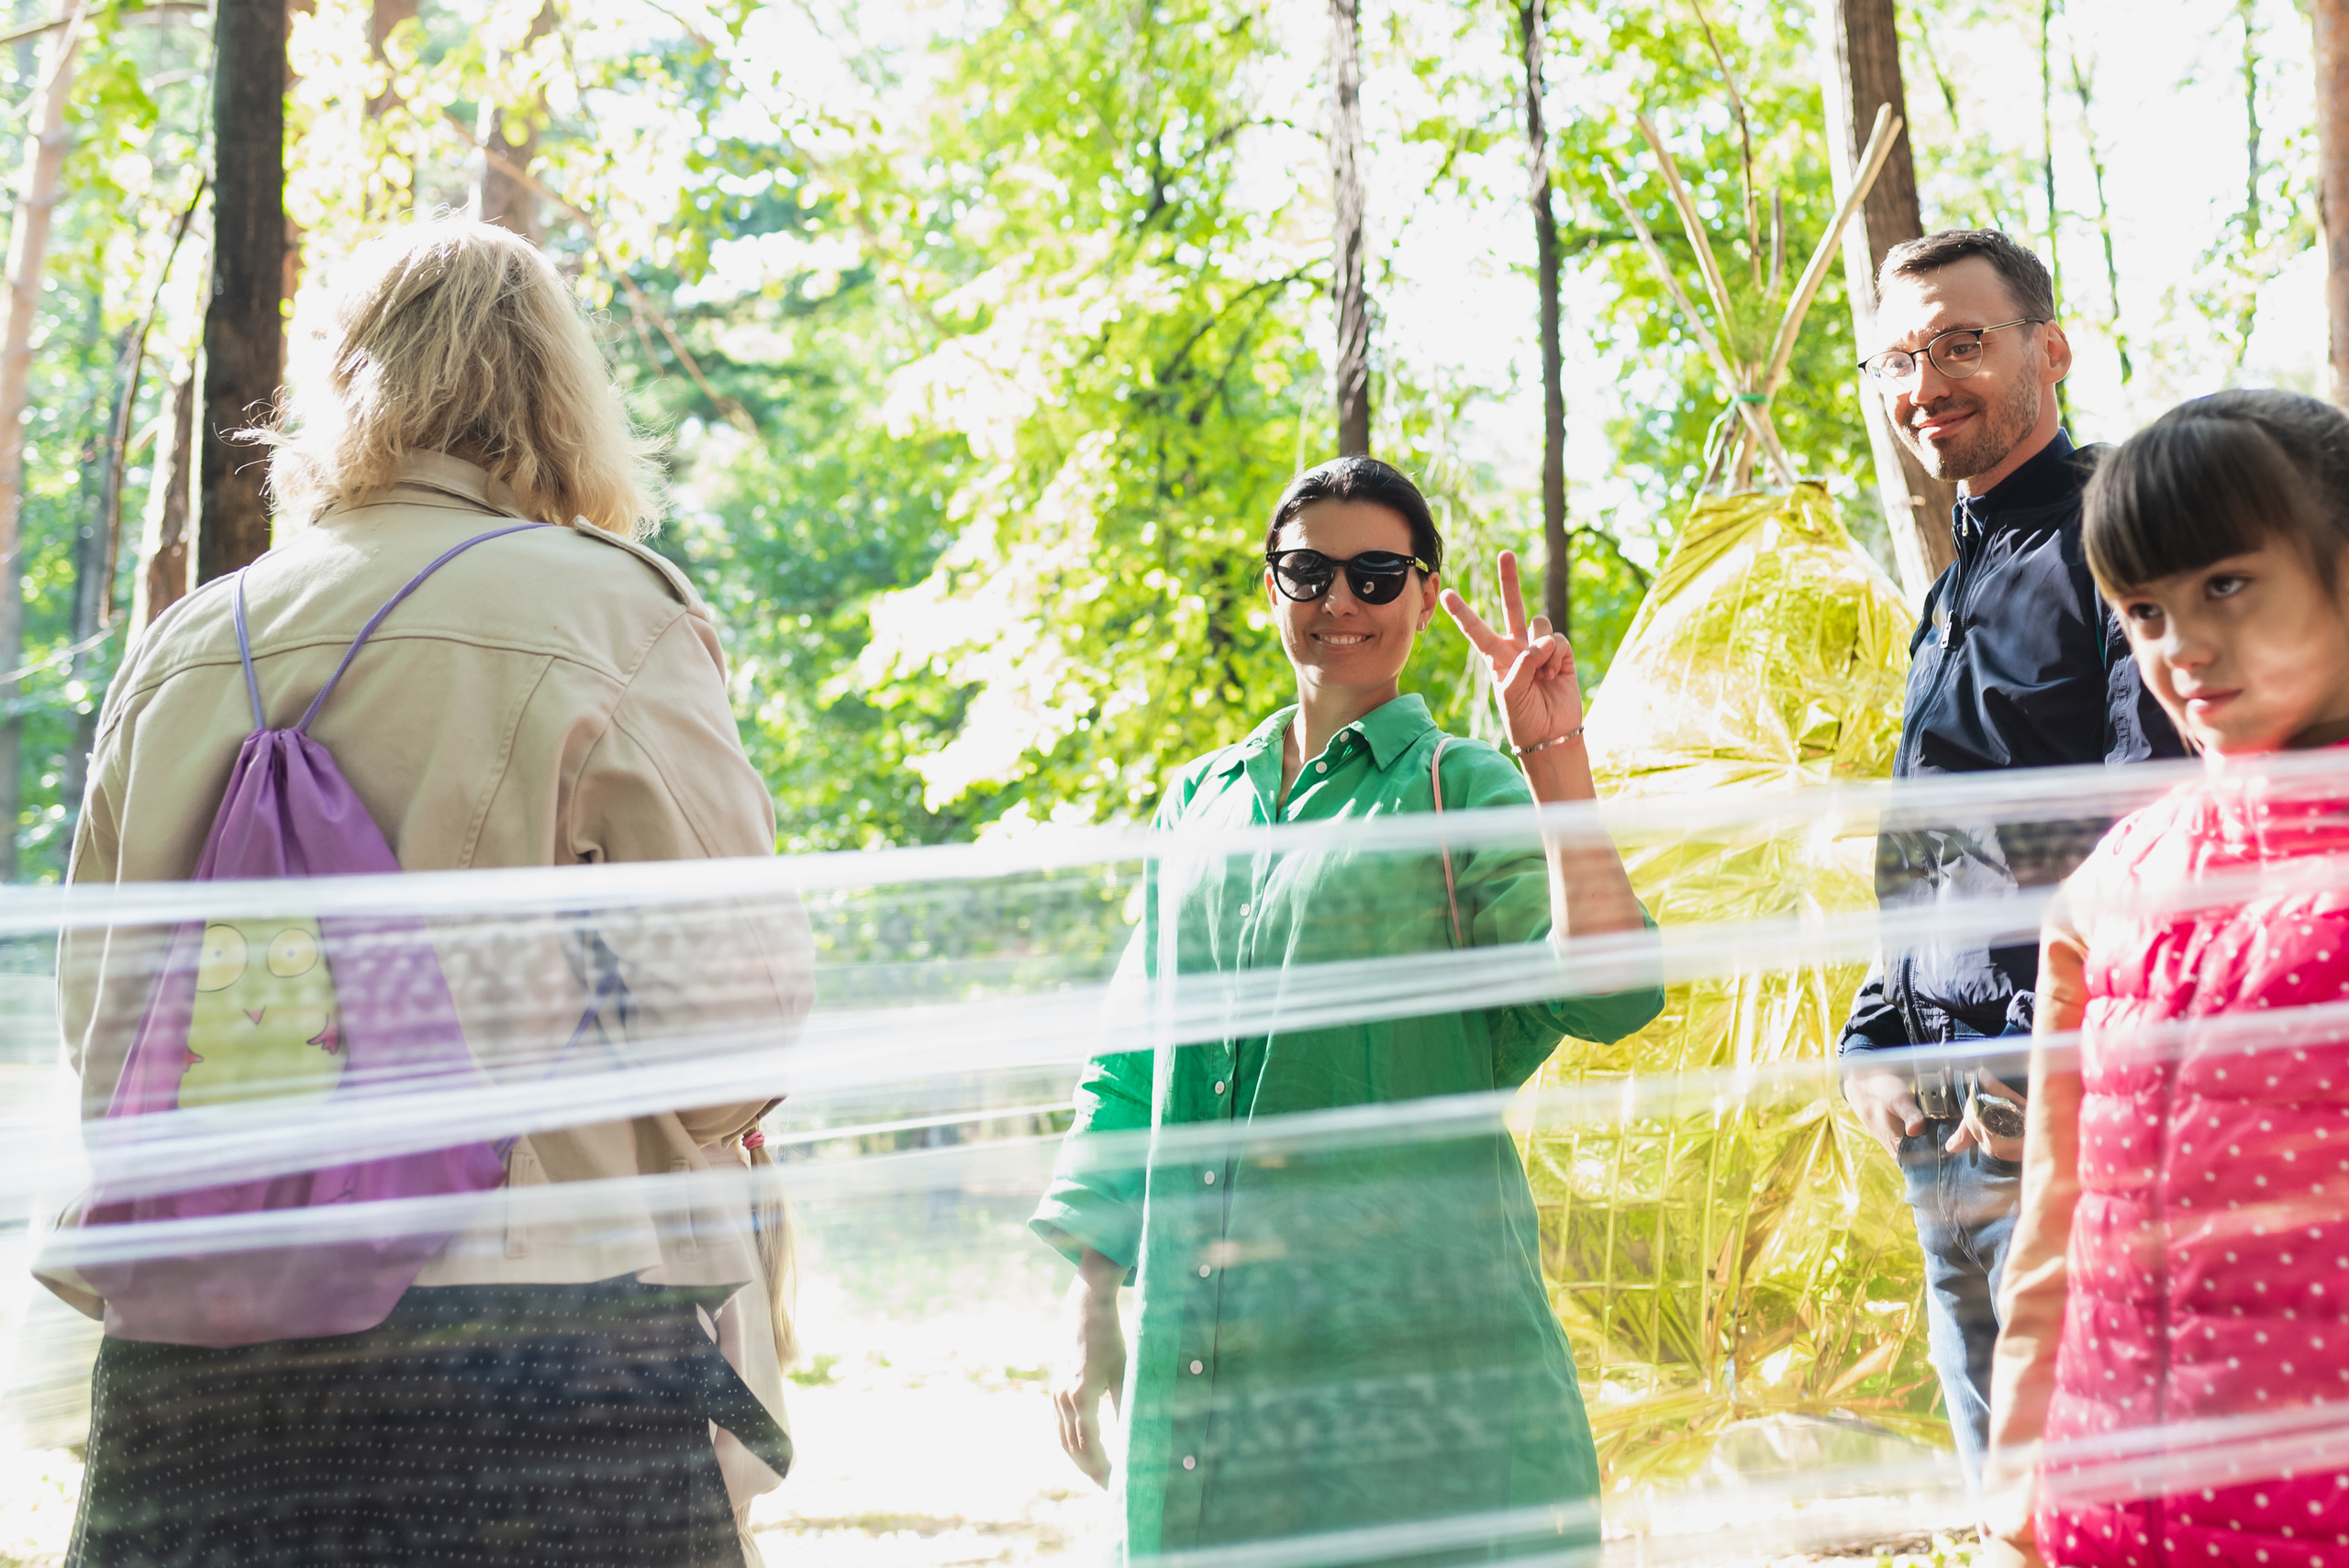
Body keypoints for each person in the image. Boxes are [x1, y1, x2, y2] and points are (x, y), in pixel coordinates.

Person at [39, 219, 810, 1567]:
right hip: (528, 1341)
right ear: (558, 393)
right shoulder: (610, 614)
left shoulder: (184, 642)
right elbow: (730, 1030)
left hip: (199, 1351)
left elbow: (104, 1023)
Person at [1034, 457, 1664, 1561]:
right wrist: (1090, 1295)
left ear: (1424, 593)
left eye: (1376, 574)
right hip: (1209, 1343)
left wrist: (1552, 752)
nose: (1340, 601)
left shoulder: (1460, 788)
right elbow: (1133, 1056)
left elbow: (1611, 993)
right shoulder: (1200, 800)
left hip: (1410, 1341)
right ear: (1269, 587)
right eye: (1307, 570)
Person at [1835, 228, 2184, 1486]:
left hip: (2060, 1124)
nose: (1924, 381)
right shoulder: (1949, 586)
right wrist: (1875, 1032)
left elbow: (2155, 827)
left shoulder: (2120, 546)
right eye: (1899, 357)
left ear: (2054, 350)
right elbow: (1932, 840)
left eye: (1961, 343)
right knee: (2008, 1509)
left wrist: (2047, 1081)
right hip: (1940, 1131)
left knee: (2111, 1498)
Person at [1983, 390, 2349, 1568]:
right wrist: (2017, 1503)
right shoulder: (2114, 881)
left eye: (2225, 585)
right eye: (2142, 609)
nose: (2180, 648)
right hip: (2107, 1520)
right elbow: (2055, 1222)